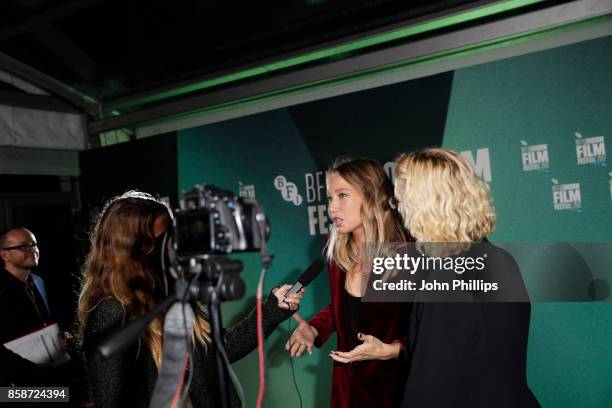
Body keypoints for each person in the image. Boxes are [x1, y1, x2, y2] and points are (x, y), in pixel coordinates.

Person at [78, 191, 303, 408]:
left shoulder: (171, 293)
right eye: (163, 239)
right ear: (135, 249)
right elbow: (110, 400)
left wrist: (273, 309)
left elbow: (219, 350)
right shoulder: (111, 312)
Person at [394, 148, 540, 407]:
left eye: (401, 201)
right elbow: (473, 351)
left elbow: (430, 387)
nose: (400, 213)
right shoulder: (499, 258)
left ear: (425, 205)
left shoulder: (445, 279)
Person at [286, 158, 410, 407]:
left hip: (394, 391)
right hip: (346, 393)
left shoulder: (407, 252)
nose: (332, 208)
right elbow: (343, 310)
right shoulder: (336, 253)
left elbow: (432, 329)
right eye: (330, 198)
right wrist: (314, 328)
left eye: (342, 196)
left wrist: (393, 350)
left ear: (372, 197)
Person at [0, 227, 72, 386]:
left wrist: (60, 337)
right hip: (14, 384)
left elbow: (43, 324)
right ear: (5, 255)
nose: (33, 249)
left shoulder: (38, 282)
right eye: (24, 246)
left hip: (49, 375)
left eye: (34, 244)